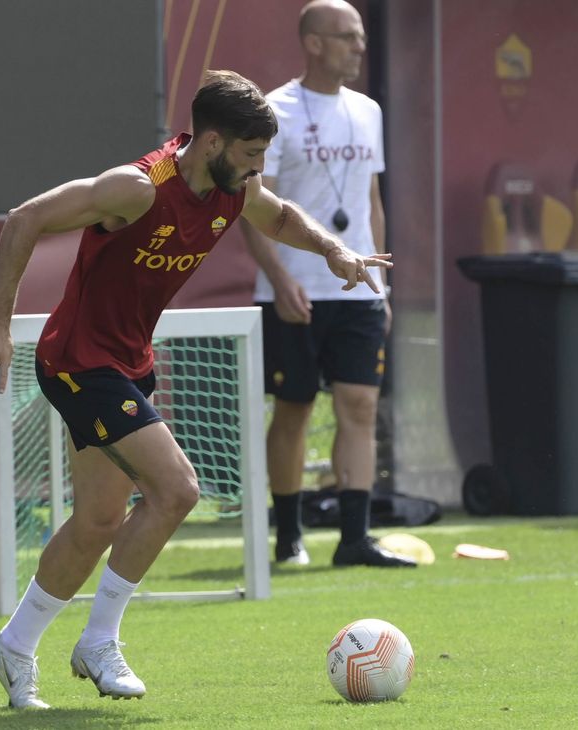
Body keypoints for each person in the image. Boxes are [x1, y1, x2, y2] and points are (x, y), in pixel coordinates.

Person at [0, 69, 391, 709]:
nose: (259, 170)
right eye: (252, 156)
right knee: (177, 489)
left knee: (100, 519)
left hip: (127, 363)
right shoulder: (134, 190)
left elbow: (279, 217)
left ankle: (14, 645)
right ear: (213, 143)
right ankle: (99, 640)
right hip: (79, 361)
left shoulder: (235, 189)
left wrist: (334, 251)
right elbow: (25, 218)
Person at [240, 0, 414, 568]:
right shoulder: (276, 110)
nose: (358, 47)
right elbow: (253, 206)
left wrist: (381, 287)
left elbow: (370, 201)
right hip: (297, 288)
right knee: (293, 409)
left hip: (358, 285)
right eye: (347, 37)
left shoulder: (368, 111)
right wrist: (279, 276)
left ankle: (354, 538)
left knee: (360, 405)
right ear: (313, 43)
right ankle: (288, 535)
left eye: (361, 37)